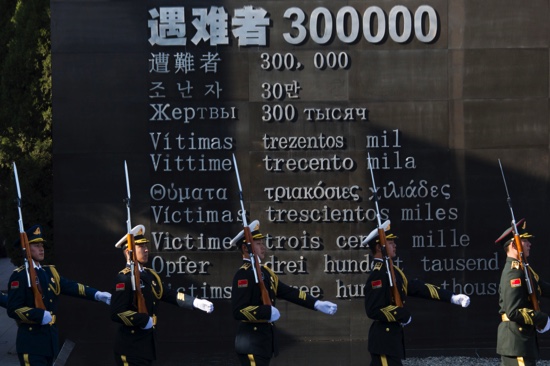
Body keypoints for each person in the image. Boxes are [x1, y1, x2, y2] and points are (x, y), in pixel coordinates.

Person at [230, 220, 338, 366]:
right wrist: (265, 311)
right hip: (251, 341)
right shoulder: (243, 275)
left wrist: (316, 303)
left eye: (263, 243)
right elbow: (239, 310)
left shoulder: (266, 272)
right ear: (245, 247)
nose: (263, 247)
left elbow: (288, 292)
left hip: (263, 343)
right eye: (258, 244)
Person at [362, 221, 470, 366]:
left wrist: (451, 297)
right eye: (390, 243)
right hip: (383, 340)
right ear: (379, 247)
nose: (395, 246)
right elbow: (373, 309)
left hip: (390, 340)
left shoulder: (394, 271)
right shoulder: (379, 274)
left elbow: (417, 288)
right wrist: (402, 314)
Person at [7, 224, 111, 366]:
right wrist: (38, 315)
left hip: (49, 342)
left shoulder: (49, 272)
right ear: (26, 250)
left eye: (42, 245)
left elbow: (71, 287)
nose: (41, 248)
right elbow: (13, 308)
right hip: (31, 343)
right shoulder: (19, 276)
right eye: (36, 245)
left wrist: (97, 295)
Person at [110, 224, 214, 366]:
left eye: (146, 245)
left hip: (146, 347)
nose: (146, 249)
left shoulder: (150, 275)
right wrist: (142, 319)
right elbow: (117, 312)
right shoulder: (124, 278)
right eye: (141, 246)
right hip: (129, 347)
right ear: (129, 252)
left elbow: (169, 294)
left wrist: (195, 302)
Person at [495, 219, 550, 366]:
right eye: (525, 241)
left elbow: (543, 288)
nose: (529, 244)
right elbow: (513, 311)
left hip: (522, 342)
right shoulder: (513, 273)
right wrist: (542, 319)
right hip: (516, 342)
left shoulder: (524, 269)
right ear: (514, 245)